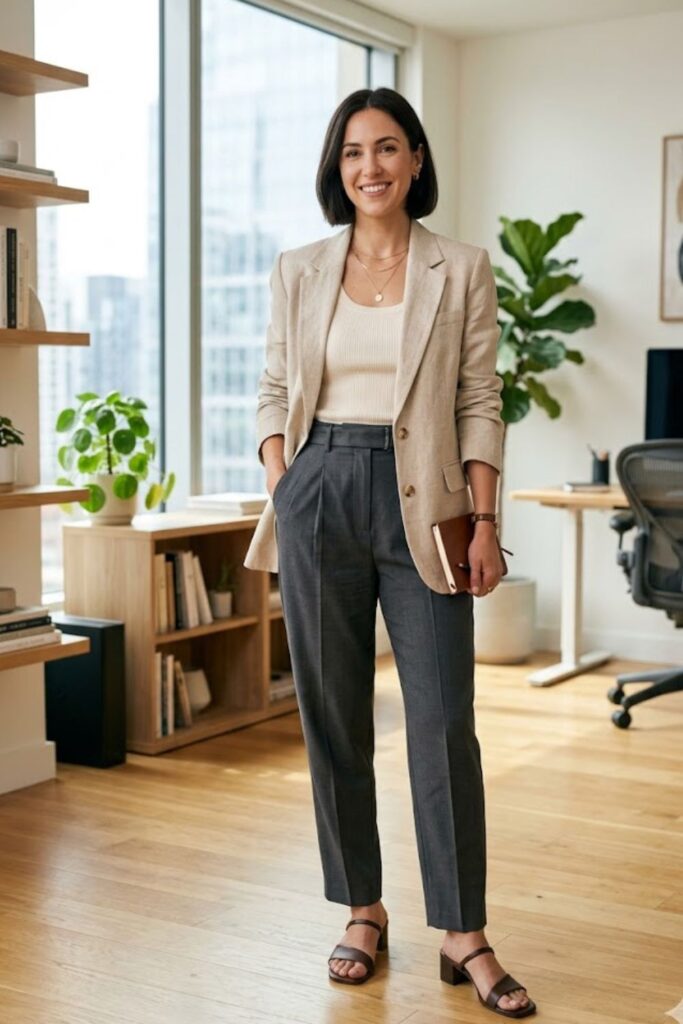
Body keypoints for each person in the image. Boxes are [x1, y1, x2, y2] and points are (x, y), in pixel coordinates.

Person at [243, 87, 535, 1019]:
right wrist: (283, 480)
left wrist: (483, 521)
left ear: (414, 160)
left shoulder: (462, 267)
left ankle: (462, 932)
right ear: (338, 168)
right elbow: (274, 385)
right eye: (351, 152)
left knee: (443, 722)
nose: (368, 166)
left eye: (385, 148)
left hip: (428, 504)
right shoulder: (299, 268)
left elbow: (478, 399)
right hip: (319, 488)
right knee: (333, 716)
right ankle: (361, 910)